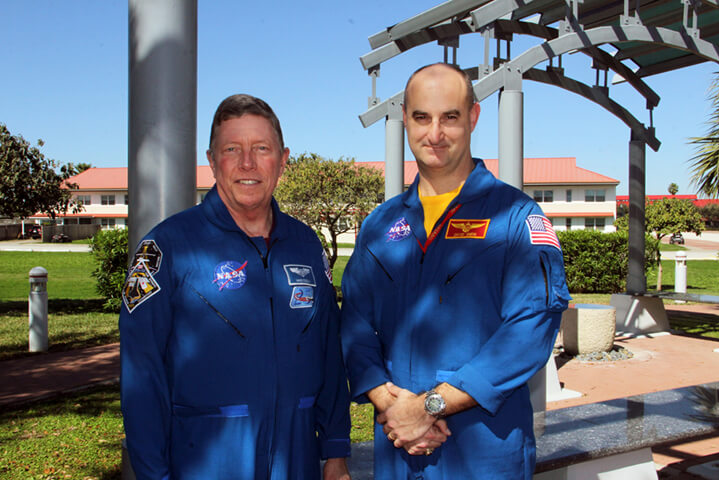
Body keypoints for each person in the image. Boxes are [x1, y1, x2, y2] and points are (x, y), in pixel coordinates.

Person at [340, 63, 571, 479]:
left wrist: (429, 406)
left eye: (450, 117)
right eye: (422, 118)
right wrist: (387, 400)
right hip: (398, 445)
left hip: (484, 447)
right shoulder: (380, 225)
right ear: (406, 120)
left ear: (473, 117)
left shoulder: (515, 217)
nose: (435, 134)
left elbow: (531, 327)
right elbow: (354, 320)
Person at [120, 94, 351, 480]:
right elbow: (142, 378)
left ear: (283, 159)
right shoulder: (168, 247)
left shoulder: (306, 245)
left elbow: (329, 353)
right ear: (212, 161)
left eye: (261, 148)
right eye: (232, 149)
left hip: (296, 461)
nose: (248, 163)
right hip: (204, 463)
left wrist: (336, 452)